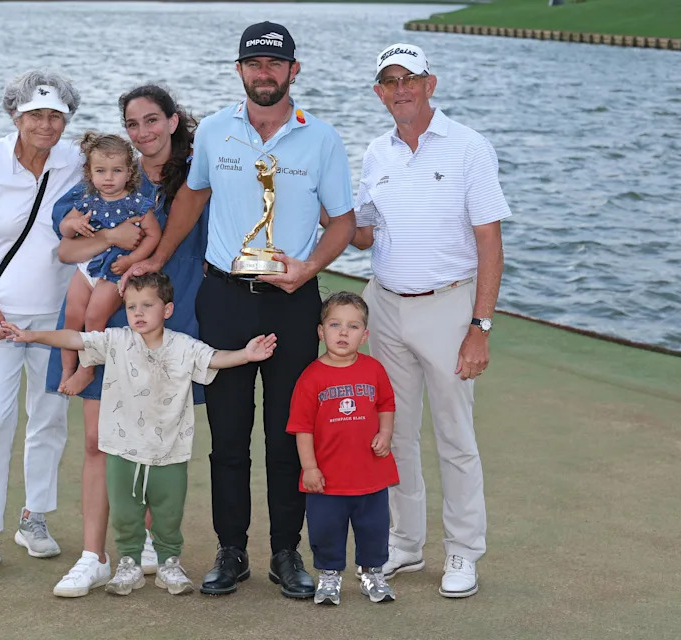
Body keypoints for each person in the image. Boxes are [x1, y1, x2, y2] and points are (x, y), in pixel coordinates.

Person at [122, 22, 356, 599]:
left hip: (293, 299)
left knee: (287, 432)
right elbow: (194, 195)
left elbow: (344, 221)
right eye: (254, 64)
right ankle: (230, 551)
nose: (265, 73)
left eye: (275, 65)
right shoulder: (216, 133)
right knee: (228, 435)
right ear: (240, 71)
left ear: (294, 71)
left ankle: (284, 552)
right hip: (224, 297)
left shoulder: (321, 139)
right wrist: (159, 255)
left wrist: (307, 267)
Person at [328, 42, 511, 598]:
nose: (401, 89)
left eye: (411, 78)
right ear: (379, 93)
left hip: (450, 308)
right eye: (390, 81)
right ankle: (406, 543)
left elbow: (490, 243)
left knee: (455, 436)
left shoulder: (469, 147)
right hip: (384, 303)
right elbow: (363, 231)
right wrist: (317, 206)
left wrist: (480, 328)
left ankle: (462, 552)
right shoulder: (378, 151)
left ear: (431, 84)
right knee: (393, 433)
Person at [2, 273, 278, 596]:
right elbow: (76, 339)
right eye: (132, 306)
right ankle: (129, 564)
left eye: (147, 305)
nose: (138, 313)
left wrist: (246, 354)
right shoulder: (116, 341)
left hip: (169, 451)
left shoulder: (183, 347)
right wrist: (31, 334)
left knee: (168, 513)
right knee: (125, 514)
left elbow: (214, 358)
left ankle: (169, 564)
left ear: (168, 309)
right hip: (123, 450)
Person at [44, 85, 210, 597]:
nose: (143, 132)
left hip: (170, 330)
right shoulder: (111, 176)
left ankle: (146, 547)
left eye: (152, 120)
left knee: (153, 445)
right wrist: (110, 239)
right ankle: (94, 555)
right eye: (133, 123)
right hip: (105, 327)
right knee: (98, 443)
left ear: (174, 121)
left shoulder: (201, 176)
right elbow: (68, 247)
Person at [0, 69, 84, 581]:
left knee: (49, 418)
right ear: (15, 115)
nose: (46, 125)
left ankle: (35, 518)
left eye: (56, 116)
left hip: (56, 316)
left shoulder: (76, 161)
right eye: (35, 115)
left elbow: (116, 190)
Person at [286, 292, 398, 606]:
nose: (343, 332)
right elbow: (302, 427)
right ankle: (329, 576)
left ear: (364, 335)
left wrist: (385, 432)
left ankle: (373, 574)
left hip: (370, 475)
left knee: (374, 529)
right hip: (327, 480)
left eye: (352, 326)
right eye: (335, 324)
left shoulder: (374, 370)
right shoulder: (311, 377)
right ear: (321, 332)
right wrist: (309, 467)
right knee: (325, 530)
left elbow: (387, 404)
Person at [57, 133, 159, 396]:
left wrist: (133, 260)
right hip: (87, 266)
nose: (109, 178)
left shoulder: (136, 203)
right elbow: (65, 228)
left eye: (117, 171)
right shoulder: (88, 200)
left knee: (93, 317)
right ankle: (67, 369)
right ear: (90, 174)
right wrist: (73, 225)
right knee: (72, 316)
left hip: (115, 271)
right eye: (101, 171)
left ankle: (87, 368)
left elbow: (153, 235)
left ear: (129, 172)